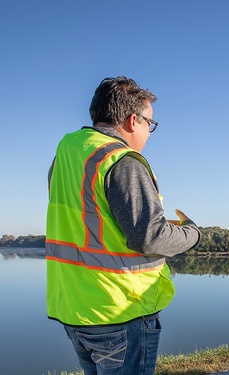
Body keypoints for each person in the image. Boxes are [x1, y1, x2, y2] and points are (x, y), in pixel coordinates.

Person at [46, 76, 202, 375]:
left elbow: (93, 220)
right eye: (150, 124)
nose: (149, 133)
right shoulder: (121, 160)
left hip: (76, 309)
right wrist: (192, 234)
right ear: (133, 120)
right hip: (120, 310)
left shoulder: (66, 155)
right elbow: (149, 237)